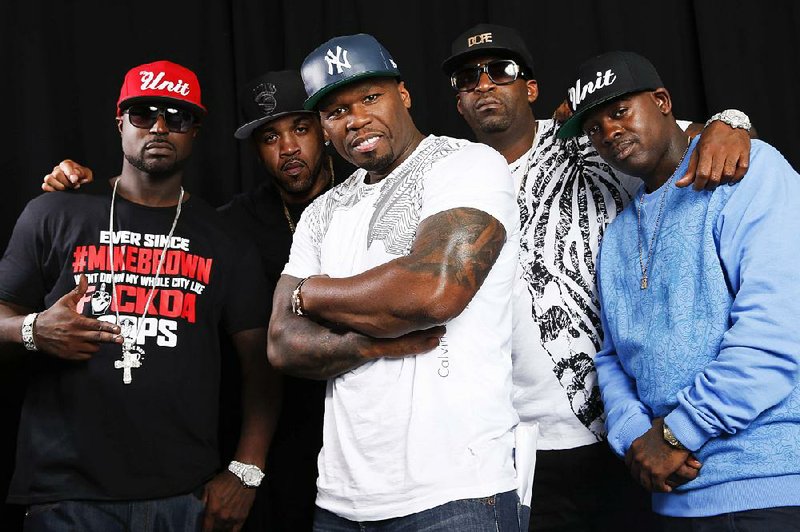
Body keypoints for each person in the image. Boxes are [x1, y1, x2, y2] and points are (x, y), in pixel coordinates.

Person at [442, 23, 754, 531]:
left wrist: (731, 120)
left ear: (530, 88)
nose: (483, 84)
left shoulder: (588, 139)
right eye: (466, 79)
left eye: (500, 70)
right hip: (518, 439)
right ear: (458, 103)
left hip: (631, 425)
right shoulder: (452, 176)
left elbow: (706, 141)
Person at [40, 69, 337, 531]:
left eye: (300, 129)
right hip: (268, 449)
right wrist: (72, 199)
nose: (288, 149)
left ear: (324, 127)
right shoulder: (232, 224)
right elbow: (259, 363)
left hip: (367, 431)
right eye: (269, 137)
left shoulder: (369, 198)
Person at [0, 59, 278, 531]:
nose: (160, 127)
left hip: (184, 496)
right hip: (66, 494)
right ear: (120, 123)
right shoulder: (56, 212)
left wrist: (246, 472)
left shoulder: (227, 240)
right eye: (143, 114)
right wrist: (32, 329)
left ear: (196, 130)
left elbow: (262, 368)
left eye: (178, 116)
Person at [267, 33, 521, 530]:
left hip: (458, 492)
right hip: (341, 499)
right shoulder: (322, 212)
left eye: (369, 98)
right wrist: (373, 345)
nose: (355, 119)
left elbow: (433, 291)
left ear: (402, 95)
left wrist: (311, 293)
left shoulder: (466, 164)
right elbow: (282, 343)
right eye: (336, 111)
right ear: (323, 126)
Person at [559, 49, 800, 531]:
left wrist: (676, 434)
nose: (609, 134)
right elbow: (611, 356)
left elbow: (778, 328)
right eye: (594, 129)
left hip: (765, 485)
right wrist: (634, 438)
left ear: (663, 101)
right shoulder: (619, 235)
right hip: (670, 497)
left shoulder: (748, 172)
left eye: (619, 111)